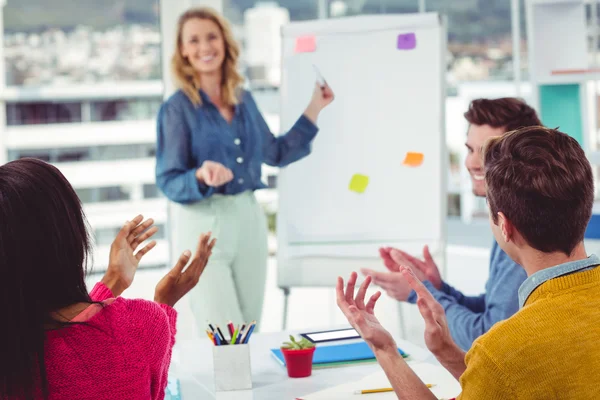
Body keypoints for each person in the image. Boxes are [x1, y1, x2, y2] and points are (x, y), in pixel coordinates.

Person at [338, 126, 600, 399]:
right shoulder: (500, 358)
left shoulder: (503, 352)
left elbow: (503, 373)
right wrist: (446, 351)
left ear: (505, 226)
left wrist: (385, 351)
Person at [155, 7, 334, 331]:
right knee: (225, 334)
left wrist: (314, 107)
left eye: (211, 36)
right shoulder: (176, 109)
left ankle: (244, 383)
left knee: (249, 330)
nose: (204, 47)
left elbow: (276, 153)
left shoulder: (245, 100)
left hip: (248, 219)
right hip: (203, 226)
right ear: (183, 51)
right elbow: (168, 181)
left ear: (224, 42)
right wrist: (199, 175)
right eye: (193, 40)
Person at [0, 158, 216, 399]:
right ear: (72, 234)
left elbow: (68, 341)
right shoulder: (142, 325)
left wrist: (112, 283)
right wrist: (164, 304)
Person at [361, 97, 542, 349]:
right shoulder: (507, 218)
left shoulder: (524, 228)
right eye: (470, 149)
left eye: (488, 152)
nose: (472, 163)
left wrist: (420, 292)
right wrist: (437, 287)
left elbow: (490, 336)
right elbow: (497, 308)